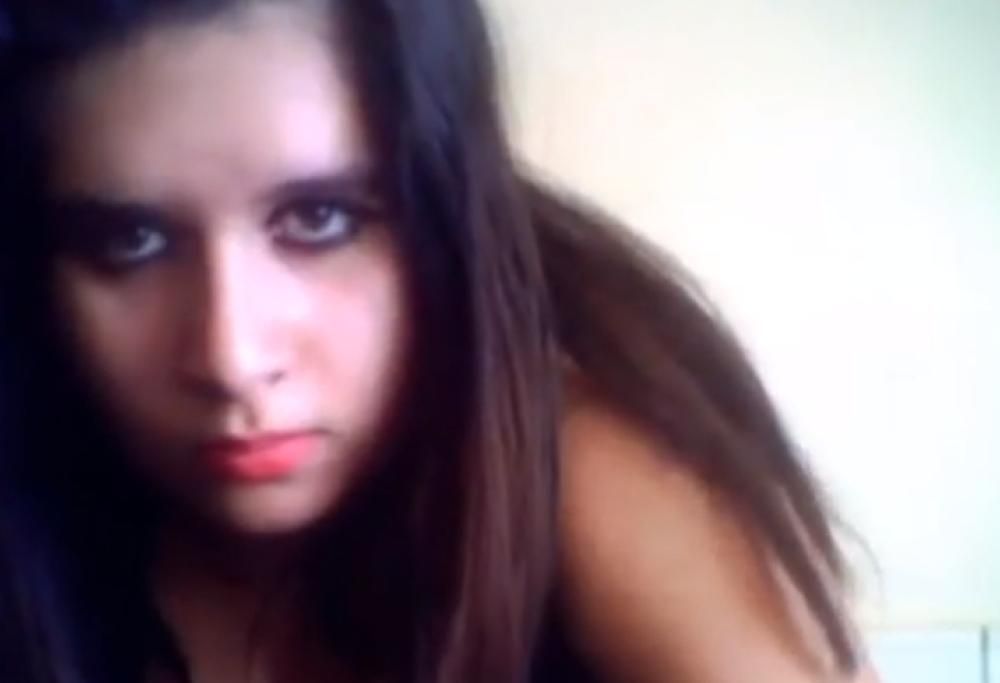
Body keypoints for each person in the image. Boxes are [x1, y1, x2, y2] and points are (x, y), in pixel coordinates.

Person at [0, 0, 880, 681]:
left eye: (321, 218)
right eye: (130, 241)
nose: (231, 357)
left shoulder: (589, 463)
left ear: (445, 209)